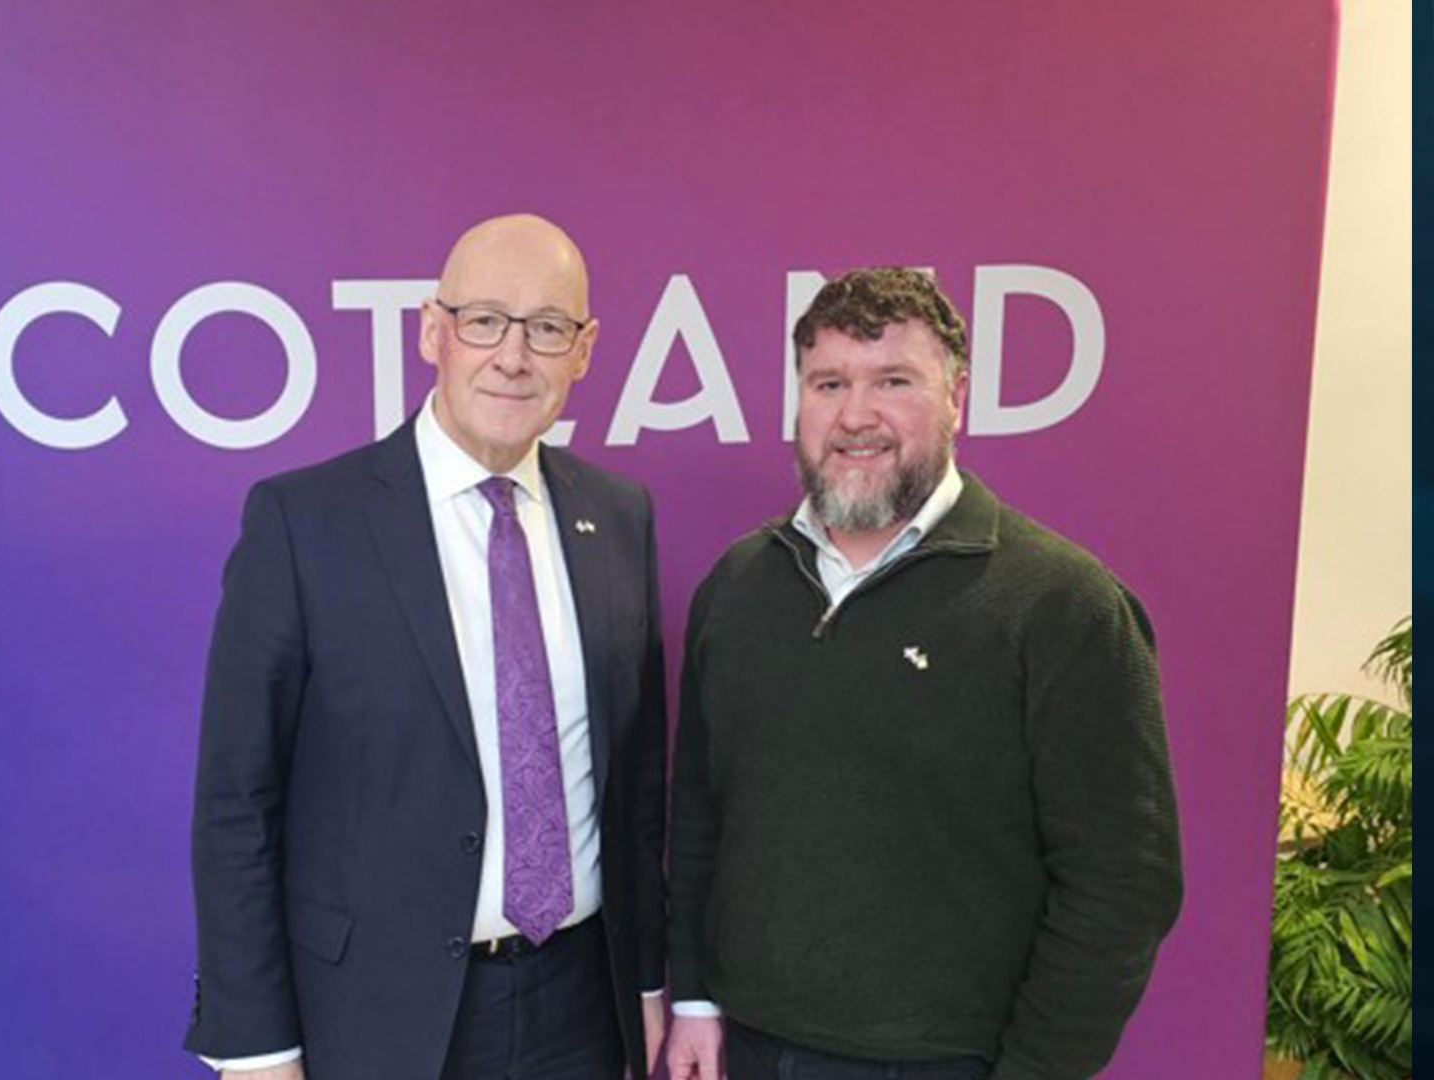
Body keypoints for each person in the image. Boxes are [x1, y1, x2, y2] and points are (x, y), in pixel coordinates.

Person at [665, 268, 1183, 1080]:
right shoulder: (737, 586)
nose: (856, 415)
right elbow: (699, 813)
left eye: (894, 381)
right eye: (829, 382)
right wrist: (694, 996)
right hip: (749, 1047)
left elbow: (1124, 883)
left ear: (957, 398)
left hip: (947, 1064)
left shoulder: (1063, 604)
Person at [187, 214, 668, 1080]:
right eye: (485, 320)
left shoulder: (619, 517)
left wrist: (647, 985)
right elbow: (236, 804)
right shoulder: (305, 523)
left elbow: (634, 786)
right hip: (380, 1014)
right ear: (431, 331)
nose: (513, 356)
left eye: (547, 329)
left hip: (581, 1010)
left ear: (585, 350)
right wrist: (256, 1045)